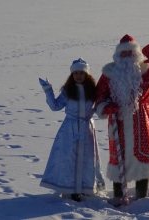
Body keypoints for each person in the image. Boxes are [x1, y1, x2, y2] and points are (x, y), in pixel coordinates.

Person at [95, 34, 149, 206]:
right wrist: (105, 107)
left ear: (137, 54)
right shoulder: (109, 73)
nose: (126, 56)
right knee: (119, 157)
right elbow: (99, 96)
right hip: (119, 120)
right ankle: (118, 196)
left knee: (143, 158)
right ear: (117, 55)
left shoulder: (147, 69)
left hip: (142, 120)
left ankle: (141, 197)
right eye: (123, 53)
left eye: (130, 53)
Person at [39, 58, 106, 202]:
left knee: (86, 159)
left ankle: (85, 188)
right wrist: (48, 91)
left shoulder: (93, 91)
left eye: (81, 73)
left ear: (86, 74)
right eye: (75, 73)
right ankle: (71, 189)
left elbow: (100, 107)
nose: (78, 76)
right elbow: (55, 106)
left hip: (87, 129)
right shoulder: (67, 91)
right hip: (69, 130)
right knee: (69, 159)